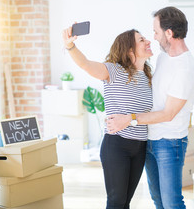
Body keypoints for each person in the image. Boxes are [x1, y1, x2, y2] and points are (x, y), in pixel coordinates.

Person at [106, 6, 194, 209]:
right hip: (150, 140)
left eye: (156, 32)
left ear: (169, 33)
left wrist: (128, 119)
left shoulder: (186, 69)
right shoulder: (163, 57)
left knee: (171, 202)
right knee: (158, 200)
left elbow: (168, 113)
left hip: (170, 142)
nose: (154, 37)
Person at [62, 27, 153, 209]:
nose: (148, 41)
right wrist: (70, 45)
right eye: (141, 40)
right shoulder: (114, 71)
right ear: (129, 50)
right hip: (117, 146)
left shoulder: (148, 77)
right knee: (116, 202)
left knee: (125, 202)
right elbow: (85, 64)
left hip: (140, 146)